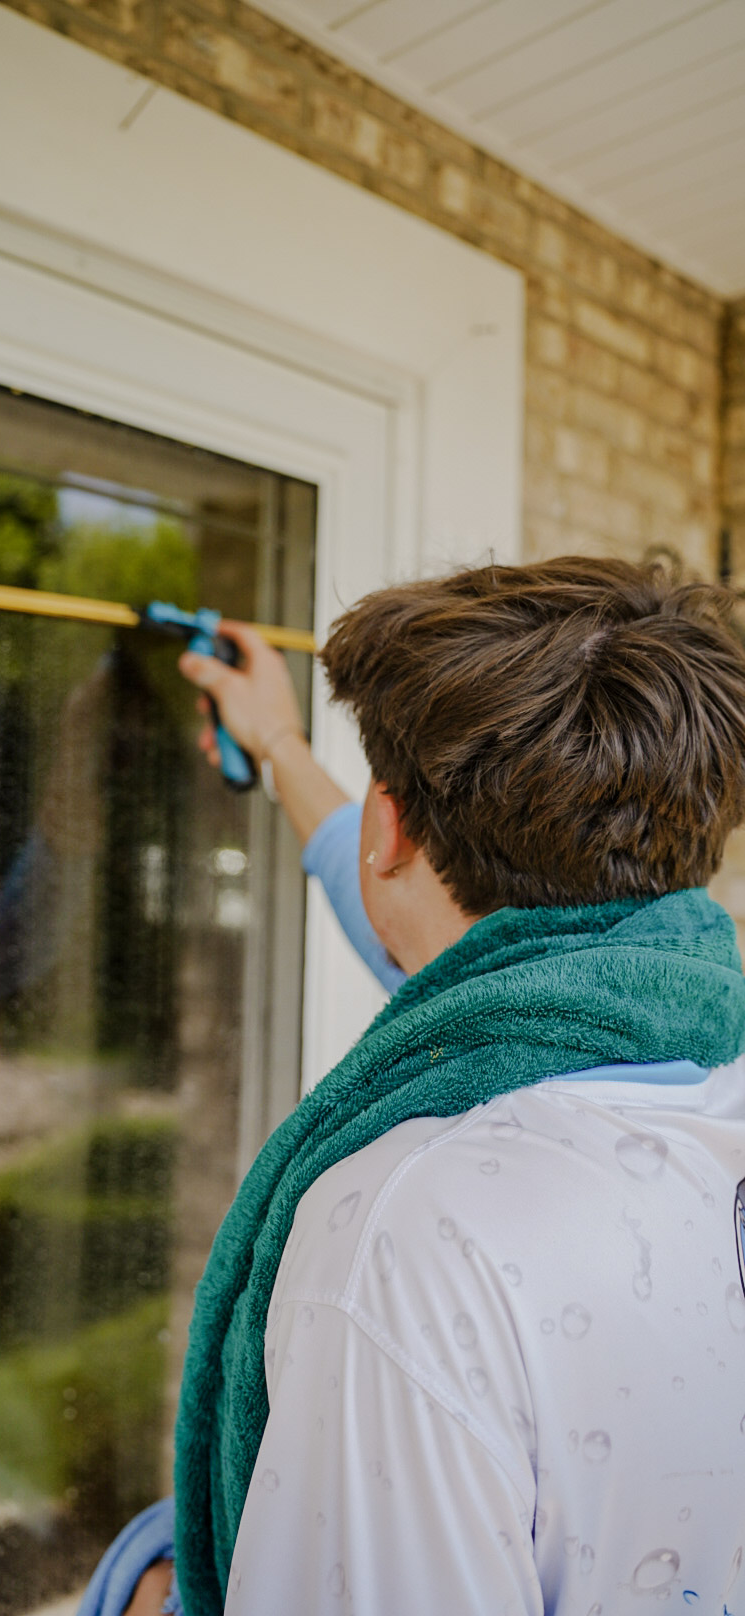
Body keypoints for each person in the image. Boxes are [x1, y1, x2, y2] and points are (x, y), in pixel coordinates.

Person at [84, 556, 745, 1616]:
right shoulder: (690, 1049)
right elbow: (434, 927)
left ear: (390, 824)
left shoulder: (403, 1233)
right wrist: (282, 745)